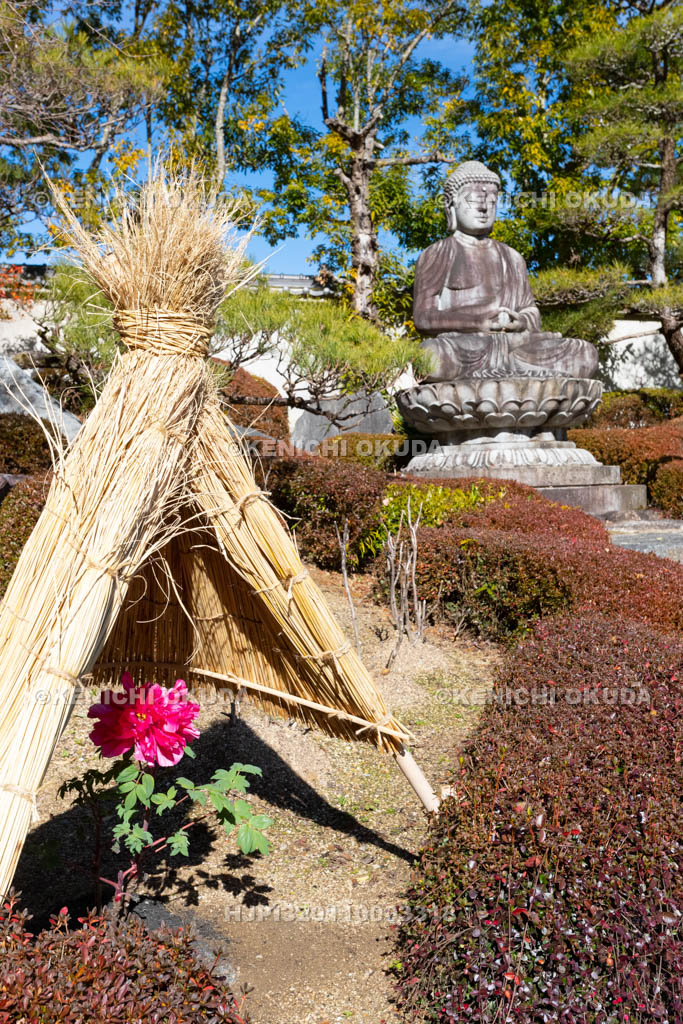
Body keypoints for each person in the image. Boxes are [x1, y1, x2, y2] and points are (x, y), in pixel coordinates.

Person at [412, 161, 599, 381]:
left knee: (583, 353)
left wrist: (520, 321)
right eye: (473, 201)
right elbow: (424, 318)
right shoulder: (439, 252)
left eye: (491, 202)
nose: (483, 208)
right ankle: (524, 374)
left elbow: (530, 311)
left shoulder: (511, 257)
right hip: (467, 346)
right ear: (451, 205)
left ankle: (516, 370)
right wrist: (477, 323)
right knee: (429, 357)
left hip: (516, 344)